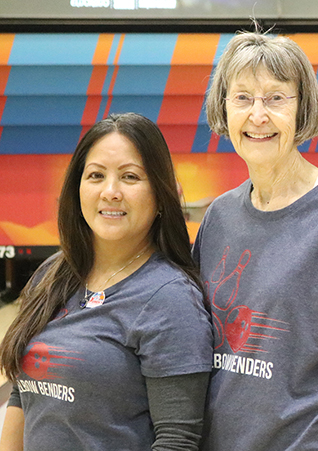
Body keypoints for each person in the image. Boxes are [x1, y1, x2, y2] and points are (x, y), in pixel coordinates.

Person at [195, 31, 318, 450]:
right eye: (243, 97)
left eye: (276, 98)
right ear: (223, 106)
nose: (258, 115)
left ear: (302, 108)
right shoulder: (218, 217)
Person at [0, 113, 213, 450]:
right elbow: (21, 396)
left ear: (160, 194)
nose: (110, 192)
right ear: (77, 188)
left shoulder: (170, 299)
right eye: (96, 175)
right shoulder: (52, 274)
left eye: (130, 177)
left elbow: (177, 441)